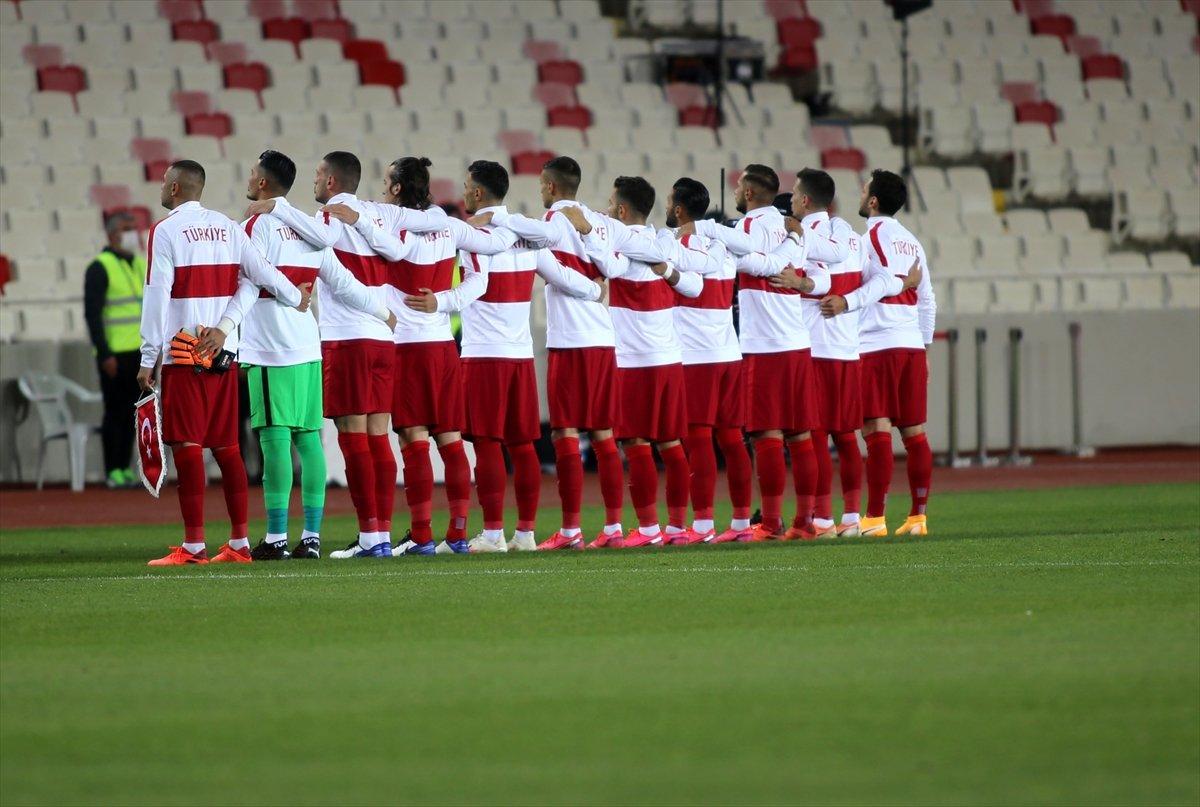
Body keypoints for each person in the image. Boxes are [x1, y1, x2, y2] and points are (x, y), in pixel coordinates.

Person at [389, 160, 605, 553]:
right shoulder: (528, 235)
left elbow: (475, 286)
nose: (465, 191)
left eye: (468, 185)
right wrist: (594, 291)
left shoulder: (475, 236)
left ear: (477, 192)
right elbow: (561, 275)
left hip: (484, 355)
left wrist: (440, 303)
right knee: (523, 446)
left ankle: (492, 534)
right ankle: (524, 534)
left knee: (487, 444)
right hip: (521, 356)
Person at [321, 157, 521, 555]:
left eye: (386, 183)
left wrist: (358, 220)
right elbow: (489, 265)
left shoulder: (394, 225)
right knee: (449, 438)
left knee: (413, 439)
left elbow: (388, 248)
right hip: (444, 345)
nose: (380, 189)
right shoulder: (448, 226)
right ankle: (459, 534)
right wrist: (446, 301)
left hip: (407, 345)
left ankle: (422, 535)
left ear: (397, 189)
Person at [138, 159, 311, 566]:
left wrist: (148, 356)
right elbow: (261, 274)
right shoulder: (229, 227)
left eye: (165, 182)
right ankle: (239, 543)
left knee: (187, 446)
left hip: (184, 354)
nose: (162, 187)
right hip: (223, 354)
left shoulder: (164, 232)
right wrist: (296, 298)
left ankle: (194, 546)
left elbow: (156, 295)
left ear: (177, 189)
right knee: (229, 449)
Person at [229, 150, 397, 561]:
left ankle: (275, 538)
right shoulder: (310, 230)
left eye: (252, 173)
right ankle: (311, 537)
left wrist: (225, 330)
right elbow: (344, 283)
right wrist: (382, 312)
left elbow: (249, 283)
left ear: (264, 183)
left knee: (274, 441)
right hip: (309, 347)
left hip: (271, 347)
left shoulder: (258, 225)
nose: (249, 179)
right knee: (309, 442)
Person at [473, 157, 628, 550]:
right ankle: (612, 528)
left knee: (565, 433)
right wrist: (598, 287)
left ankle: (572, 529)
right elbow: (617, 264)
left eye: (542, 185)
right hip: (603, 337)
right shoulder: (600, 222)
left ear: (549, 186)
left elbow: (536, 245)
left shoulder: (551, 224)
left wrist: (494, 218)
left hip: (570, 340)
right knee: (605, 435)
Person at [681, 165, 836, 541]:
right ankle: (805, 522)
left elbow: (758, 261)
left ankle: (769, 523)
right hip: (797, 343)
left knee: (767, 436)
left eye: (738, 185)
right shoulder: (791, 228)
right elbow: (827, 266)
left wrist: (706, 230)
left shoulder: (747, 229)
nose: (734, 190)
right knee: (800, 437)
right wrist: (798, 273)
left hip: (763, 346)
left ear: (749, 193)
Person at [770, 170, 920, 537]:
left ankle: (821, 519)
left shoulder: (806, 238)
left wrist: (802, 281)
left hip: (813, 347)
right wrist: (901, 284)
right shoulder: (852, 237)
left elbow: (814, 280)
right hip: (848, 350)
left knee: (816, 435)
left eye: (793, 196)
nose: (789, 202)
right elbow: (882, 280)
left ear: (805, 201)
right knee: (847, 436)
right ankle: (852, 519)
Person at [563, 177, 700, 547]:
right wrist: (666, 268)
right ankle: (675, 528)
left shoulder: (626, 248)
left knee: (638, 443)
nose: (607, 210)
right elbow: (694, 287)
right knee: (671, 444)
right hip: (669, 358)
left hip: (633, 361)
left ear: (622, 210)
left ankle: (650, 528)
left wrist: (590, 231)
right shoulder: (662, 242)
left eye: (610, 204)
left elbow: (608, 265)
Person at [818, 169, 936, 537]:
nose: (860, 192)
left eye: (864, 188)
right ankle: (918, 517)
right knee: (915, 432)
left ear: (872, 201)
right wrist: (924, 345)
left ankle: (874, 518)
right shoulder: (912, 241)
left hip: (876, 342)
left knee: (876, 427)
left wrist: (846, 303)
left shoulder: (866, 239)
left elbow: (871, 286)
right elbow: (927, 298)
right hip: (910, 344)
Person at [659, 178, 754, 544]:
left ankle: (701, 524)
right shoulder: (725, 245)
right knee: (732, 439)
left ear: (680, 209)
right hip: (729, 352)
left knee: (697, 441)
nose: (667, 206)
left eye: (669, 200)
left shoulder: (677, 242)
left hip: (695, 356)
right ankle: (742, 524)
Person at [83, 210, 144, 489]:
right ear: (111, 234)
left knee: (133, 412)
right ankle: (113, 470)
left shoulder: (140, 263)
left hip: (139, 352)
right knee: (114, 412)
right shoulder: (100, 266)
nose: (132, 232)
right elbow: (93, 315)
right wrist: (104, 353)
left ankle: (125, 468)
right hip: (114, 354)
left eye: (134, 227)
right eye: (125, 228)